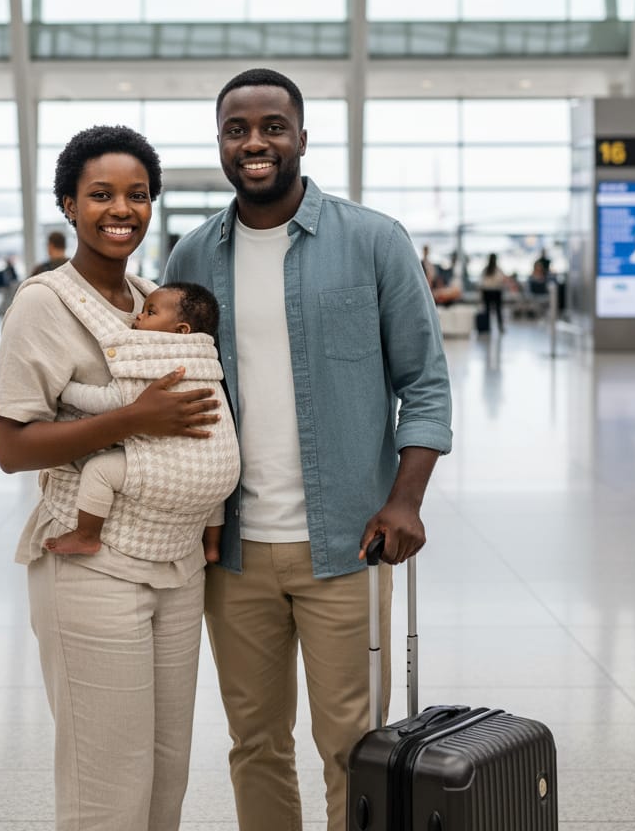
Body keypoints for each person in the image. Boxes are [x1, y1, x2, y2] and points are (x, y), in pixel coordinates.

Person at [164, 68, 453, 831]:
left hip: (348, 545)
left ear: (301, 136)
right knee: (254, 743)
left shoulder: (373, 241)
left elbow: (425, 383)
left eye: (272, 126)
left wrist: (406, 500)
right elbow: (174, 389)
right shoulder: (191, 258)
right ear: (220, 143)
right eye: (237, 130)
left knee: (353, 748)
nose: (254, 142)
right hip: (232, 552)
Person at [0, 125, 225, 831]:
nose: (121, 209)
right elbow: (11, 446)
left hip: (177, 562)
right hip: (93, 564)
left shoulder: (157, 301)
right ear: (69, 204)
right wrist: (133, 419)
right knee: (107, 783)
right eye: (100, 194)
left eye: (137, 194)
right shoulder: (44, 303)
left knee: (166, 770)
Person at [42, 281, 239, 563]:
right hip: (224, 469)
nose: (139, 315)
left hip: (173, 473)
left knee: (99, 471)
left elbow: (108, 401)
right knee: (211, 486)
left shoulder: (151, 362)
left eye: (150, 312)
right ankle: (211, 547)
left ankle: (86, 535)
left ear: (181, 331)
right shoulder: (204, 361)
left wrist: (65, 390)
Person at [479, 252, 507, 333]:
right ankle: (500, 327)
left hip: (487, 292)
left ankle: (487, 328)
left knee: (487, 310)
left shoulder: (486, 270)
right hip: (496, 291)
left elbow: (481, 282)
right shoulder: (497, 270)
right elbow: (502, 279)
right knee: (498, 310)